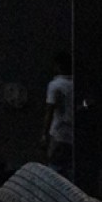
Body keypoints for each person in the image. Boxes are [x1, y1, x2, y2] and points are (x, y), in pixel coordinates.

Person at [43, 51, 75, 180]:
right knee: (71, 166)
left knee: (55, 166)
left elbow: (50, 110)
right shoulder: (75, 84)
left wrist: (44, 134)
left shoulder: (55, 85)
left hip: (59, 132)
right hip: (72, 132)